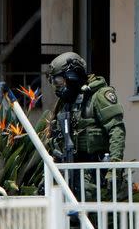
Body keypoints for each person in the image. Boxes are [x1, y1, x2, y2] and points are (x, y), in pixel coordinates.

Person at [46, 52, 126, 200]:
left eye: (59, 81)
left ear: (72, 76)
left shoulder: (99, 96)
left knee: (90, 216)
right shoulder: (65, 102)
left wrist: (114, 169)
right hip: (70, 169)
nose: (57, 87)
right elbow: (55, 136)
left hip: (94, 171)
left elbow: (116, 130)